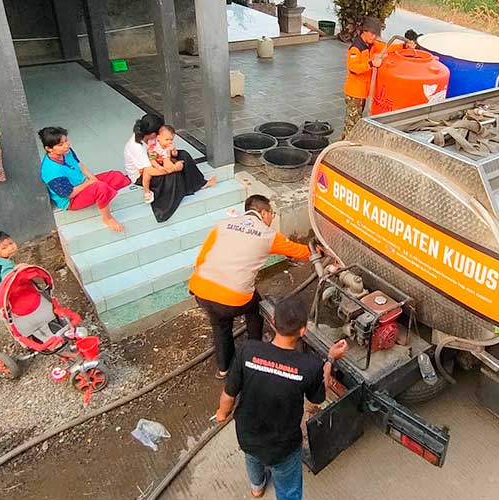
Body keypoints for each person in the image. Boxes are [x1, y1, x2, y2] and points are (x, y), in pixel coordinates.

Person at [215, 296, 349, 500]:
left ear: (273, 322)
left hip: (248, 435)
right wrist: (330, 359)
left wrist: (222, 414)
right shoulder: (309, 365)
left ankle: (257, 489)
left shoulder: (248, 350)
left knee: (252, 459)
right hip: (283, 446)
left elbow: (228, 394)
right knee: (288, 487)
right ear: (303, 330)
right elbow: (316, 400)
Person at [189, 194, 312, 379]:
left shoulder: (222, 226)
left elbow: (200, 260)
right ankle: (255, 348)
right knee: (255, 307)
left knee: (220, 325)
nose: (272, 218)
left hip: (201, 291)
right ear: (263, 213)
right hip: (233, 298)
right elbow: (300, 251)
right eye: (272, 214)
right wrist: (318, 249)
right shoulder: (267, 234)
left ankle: (224, 369)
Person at [124, 114, 215, 222]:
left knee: (183, 155)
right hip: (143, 174)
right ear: (154, 134)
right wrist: (174, 168)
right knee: (173, 174)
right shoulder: (136, 146)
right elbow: (148, 170)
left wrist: (169, 153)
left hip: (155, 161)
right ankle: (176, 194)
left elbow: (159, 152)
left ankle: (199, 183)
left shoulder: (148, 136)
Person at [39, 127, 131, 232]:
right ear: (49, 149)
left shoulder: (66, 151)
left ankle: (103, 196)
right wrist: (91, 184)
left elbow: (79, 165)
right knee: (101, 188)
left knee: (116, 176)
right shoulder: (51, 171)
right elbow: (69, 194)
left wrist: (93, 179)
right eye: (60, 145)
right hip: (71, 200)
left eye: (66, 141)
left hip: (83, 183)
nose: (66, 145)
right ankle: (107, 218)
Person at [342, 16, 415, 139]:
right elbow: (353, 68)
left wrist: (404, 46)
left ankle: (349, 143)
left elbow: (388, 47)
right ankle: (344, 145)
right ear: (364, 31)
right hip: (354, 93)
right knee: (352, 123)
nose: (374, 37)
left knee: (357, 120)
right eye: (372, 34)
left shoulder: (371, 45)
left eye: (376, 34)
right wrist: (371, 63)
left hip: (363, 92)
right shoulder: (356, 48)